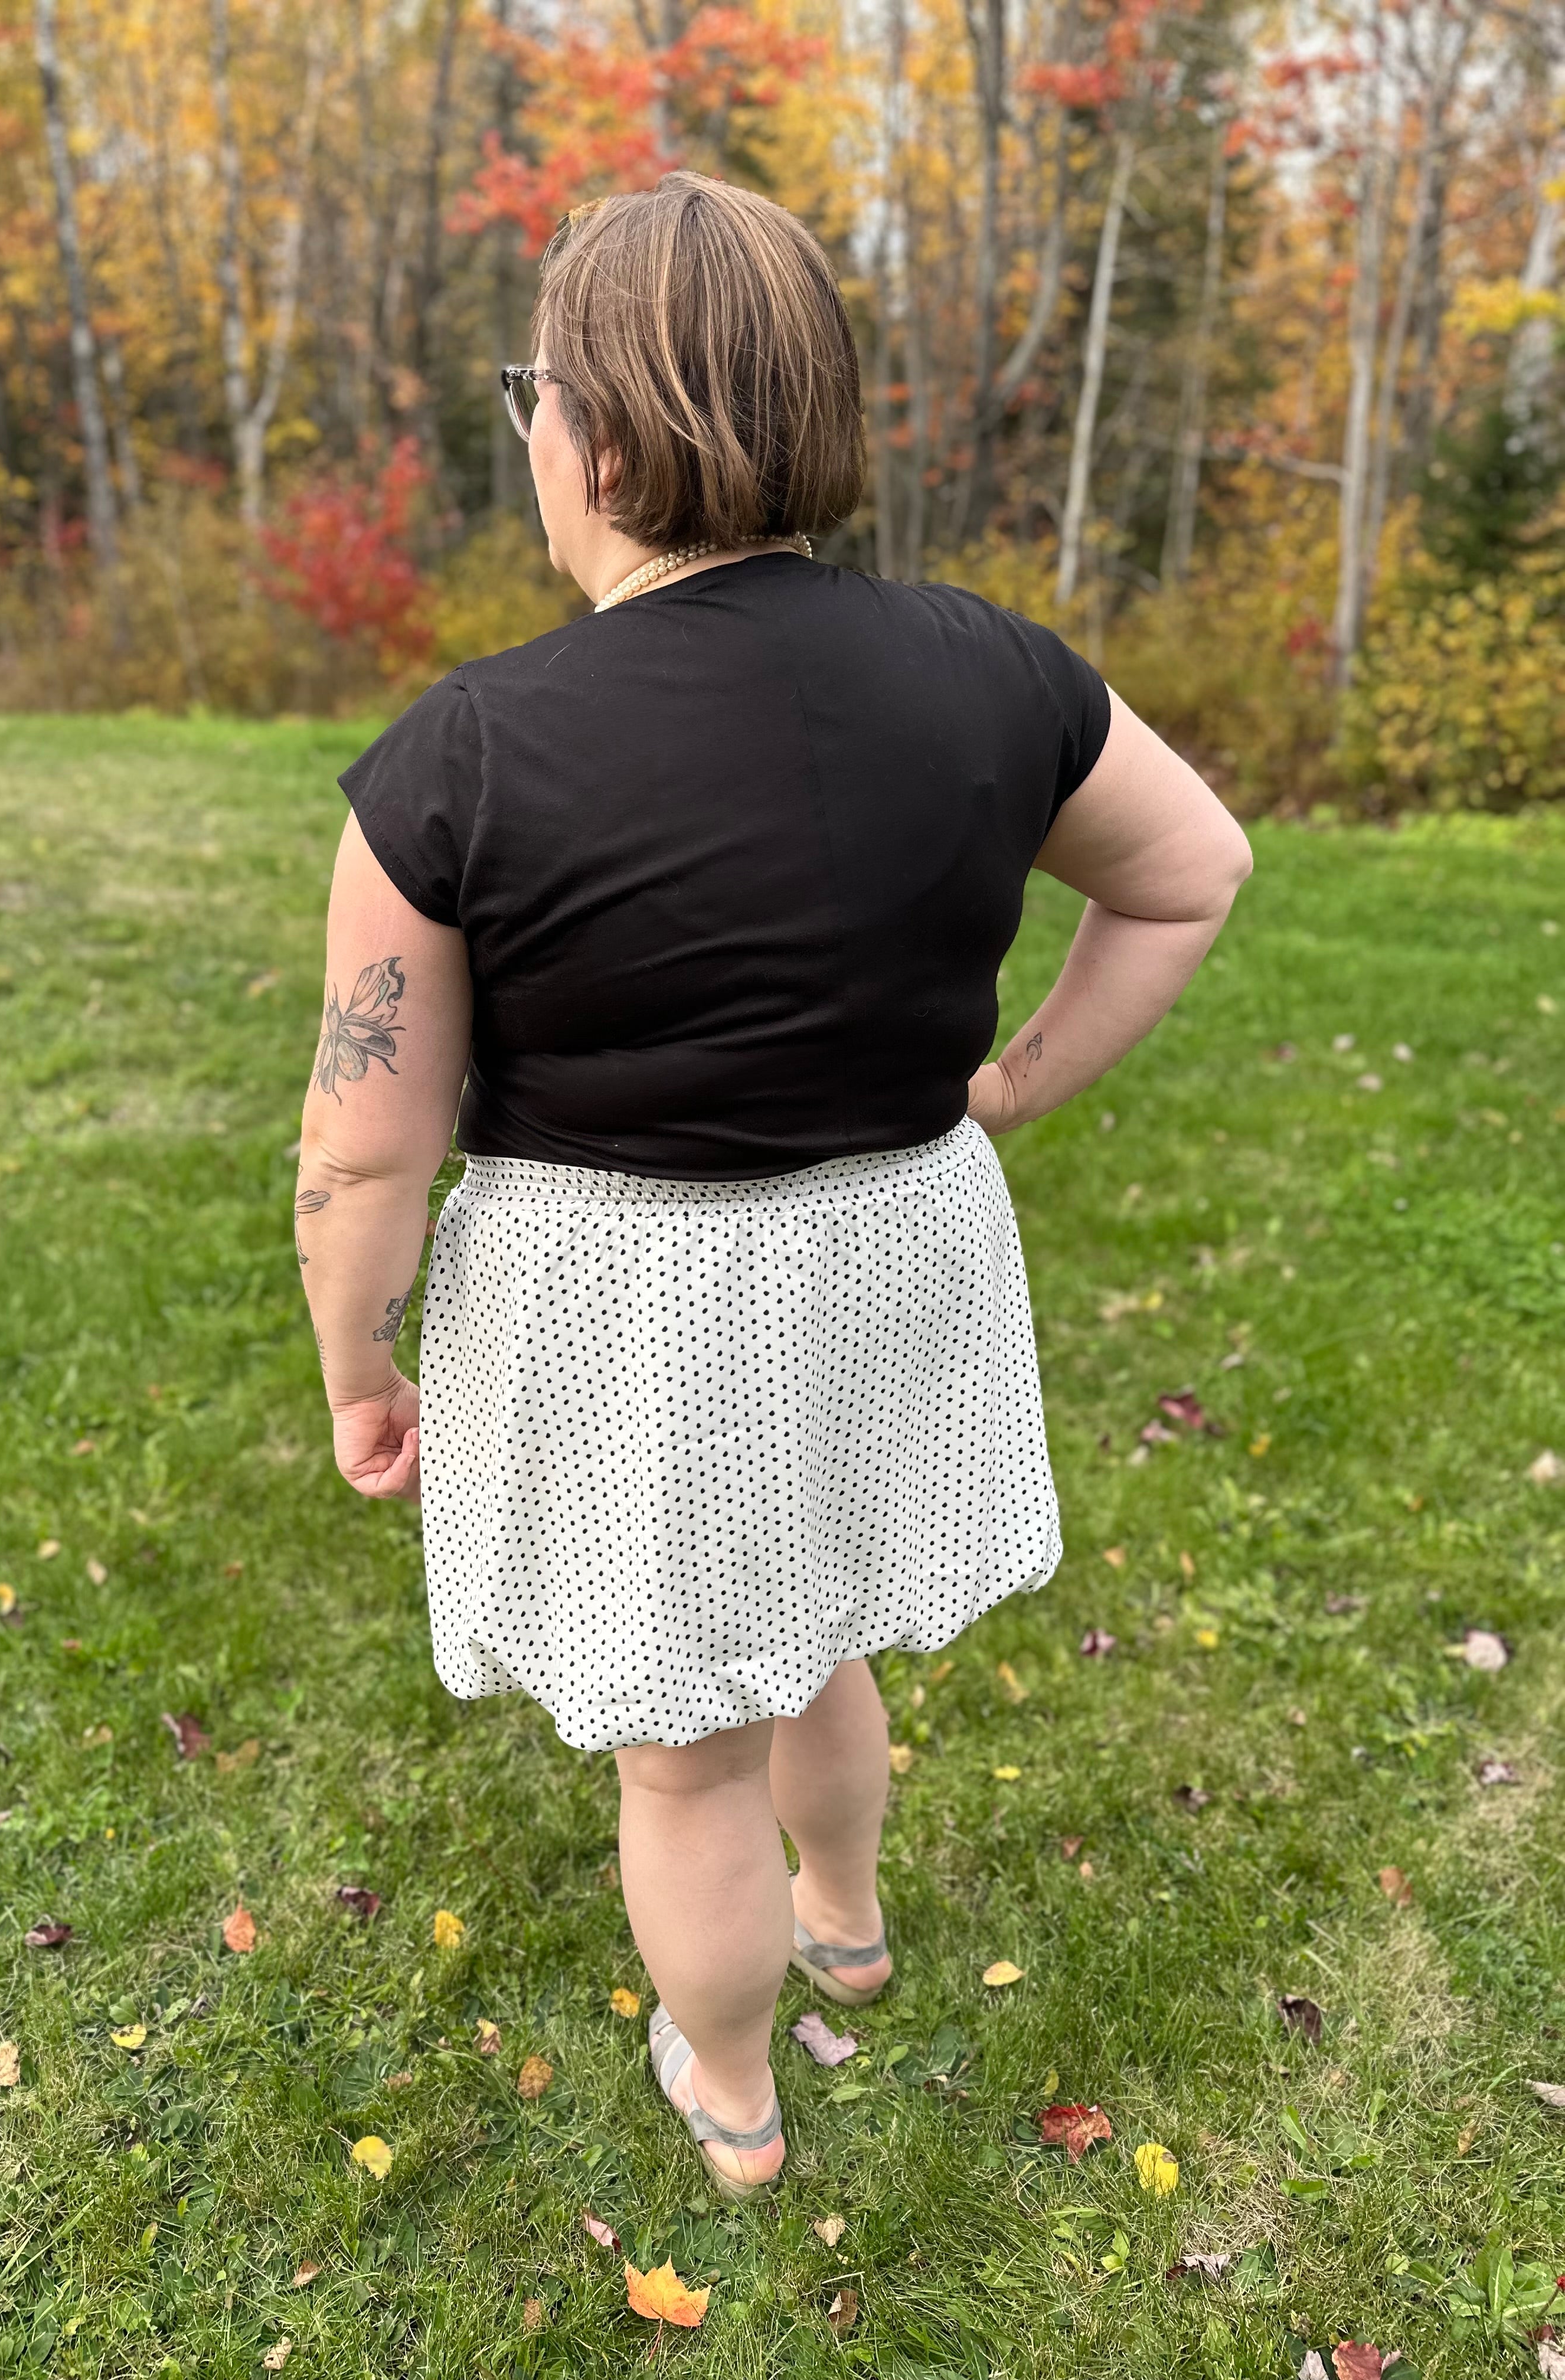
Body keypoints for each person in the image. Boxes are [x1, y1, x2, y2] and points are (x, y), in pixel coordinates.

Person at [295, 171, 1252, 2202]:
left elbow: (365, 1136)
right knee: (816, 1630)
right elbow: (1194, 873)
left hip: (624, 1303)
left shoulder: (461, 756)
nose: (530, 436)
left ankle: (732, 2090)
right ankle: (851, 1923)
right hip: (886, 1252)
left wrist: (361, 1364)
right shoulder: (992, 671)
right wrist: (1008, 1088)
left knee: (681, 1745)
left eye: (529, 398)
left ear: (609, 440)